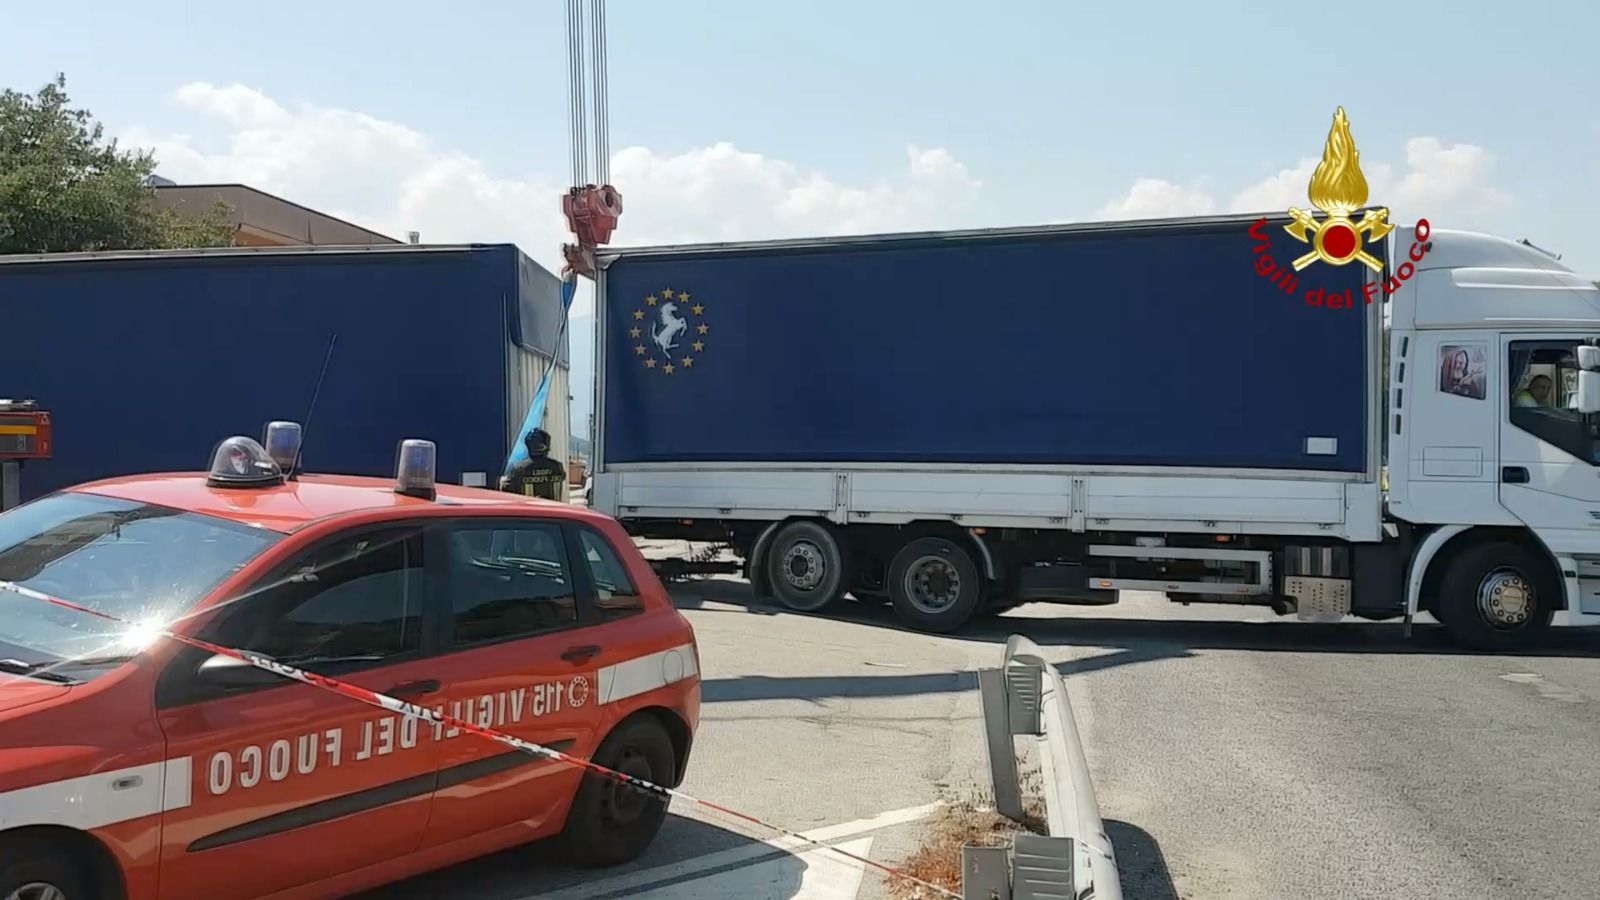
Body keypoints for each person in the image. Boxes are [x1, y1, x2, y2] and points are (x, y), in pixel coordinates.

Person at [499, 429, 567, 500]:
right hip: (554, 509)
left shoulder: (518, 468)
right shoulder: (557, 467)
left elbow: (506, 490)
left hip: (527, 510)